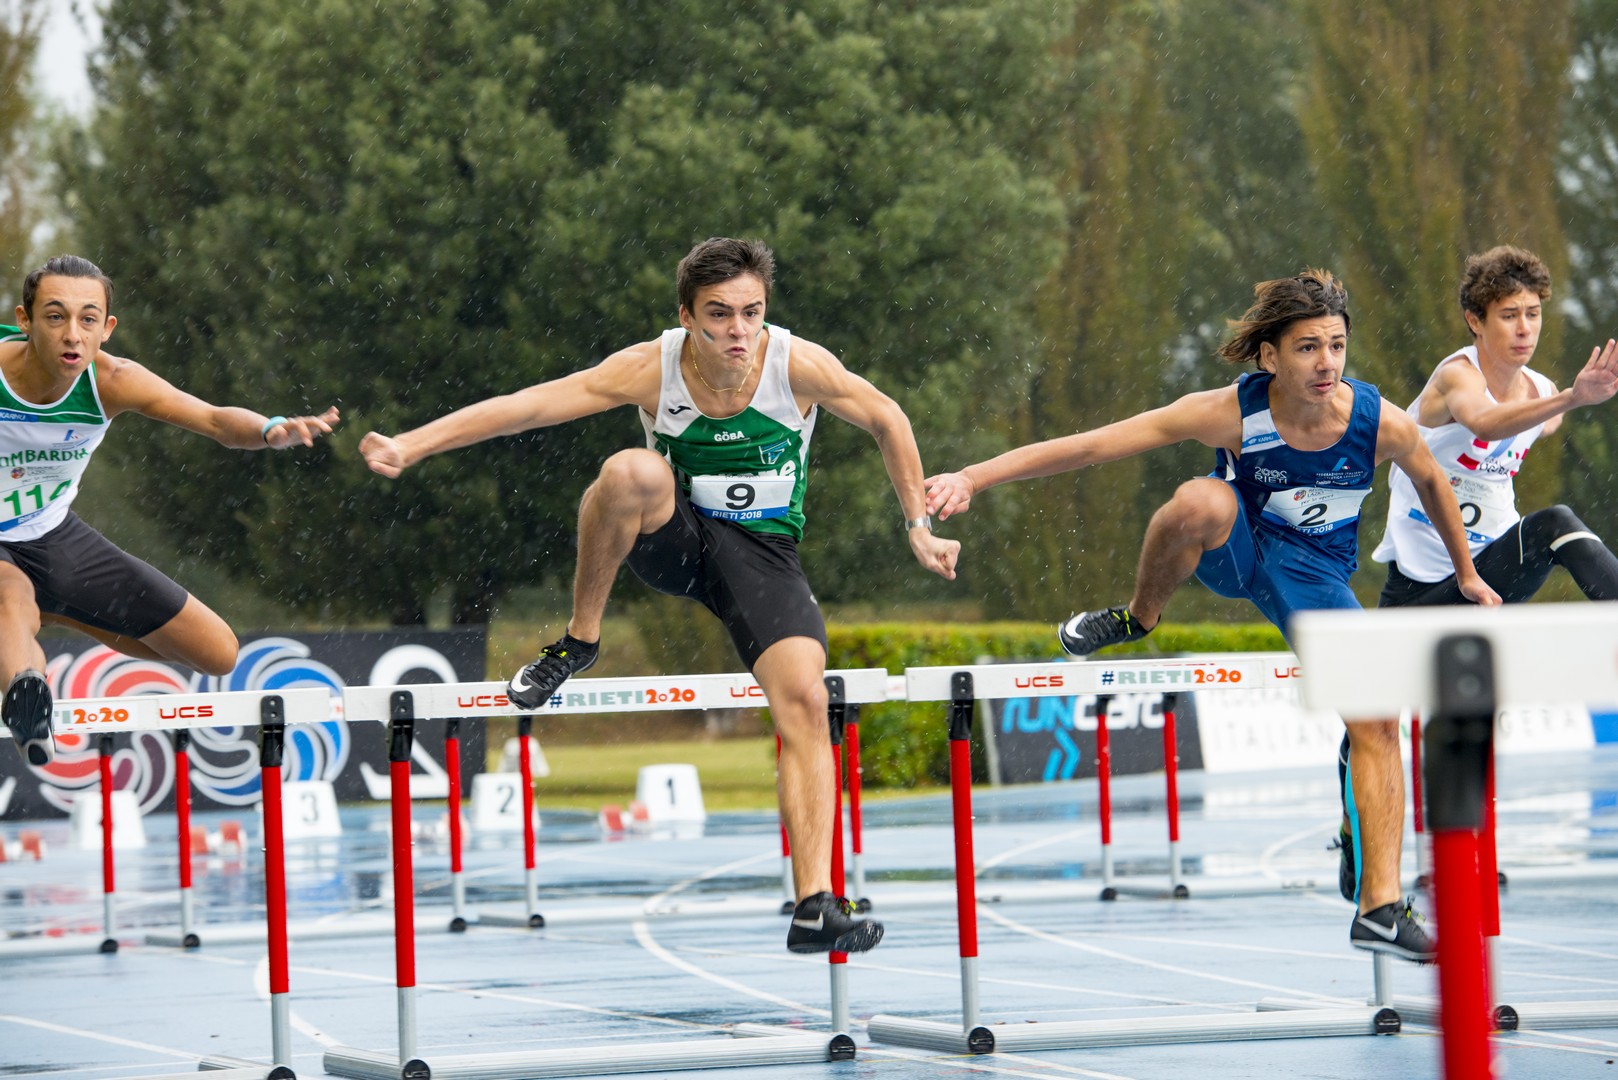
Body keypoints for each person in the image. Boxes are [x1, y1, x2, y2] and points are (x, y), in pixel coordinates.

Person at [359, 236, 960, 955]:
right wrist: (414, 444)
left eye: (751, 313)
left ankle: (813, 906)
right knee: (628, 472)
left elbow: (889, 418)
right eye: (719, 315)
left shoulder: (798, 364)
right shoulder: (652, 366)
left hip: (762, 556)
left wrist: (917, 526)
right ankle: (579, 641)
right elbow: (526, 407)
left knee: (805, 699)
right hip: (677, 540)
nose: (738, 332)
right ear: (686, 316)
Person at [924, 270, 1501, 963]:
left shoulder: (1381, 423)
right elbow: (1095, 445)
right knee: (1200, 500)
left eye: (1336, 346)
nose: (1326, 364)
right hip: (1238, 549)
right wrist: (973, 477)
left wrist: (1467, 573)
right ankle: (1138, 618)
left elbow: (1433, 480)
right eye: (1308, 348)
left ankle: (1379, 907)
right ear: (1271, 357)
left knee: (1376, 716)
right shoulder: (1229, 412)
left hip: (1314, 577)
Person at [1327, 246, 1618, 901]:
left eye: (1533, 314)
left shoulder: (1541, 394)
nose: (1525, 328)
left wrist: (1564, 401)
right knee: (1366, 726)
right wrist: (1573, 397)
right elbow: (1485, 420)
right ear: (1475, 321)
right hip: (1421, 590)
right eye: (1509, 315)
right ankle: (1353, 832)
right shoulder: (1456, 378)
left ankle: (1462, 850)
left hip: (1488, 579)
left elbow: (1538, 425)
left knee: (1556, 525)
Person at [1, 255, 339, 766]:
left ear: (107, 329)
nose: (72, 334)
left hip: (50, 533)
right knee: (12, 594)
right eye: (55, 316)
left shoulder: (113, 381)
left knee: (217, 653)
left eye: (88, 319)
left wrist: (271, 429)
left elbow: (216, 420)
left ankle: (49, 611)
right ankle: (26, 700)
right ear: (24, 321)